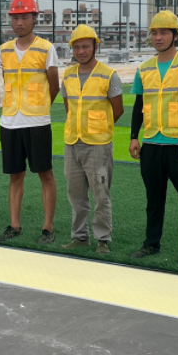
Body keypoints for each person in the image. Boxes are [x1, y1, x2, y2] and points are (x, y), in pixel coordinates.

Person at [128, 10, 178, 265]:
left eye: (163, 32)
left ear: (175, 35)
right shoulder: (144, 68)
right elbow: (139, 105)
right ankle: (151, 243)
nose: (158, 37)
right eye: (154, 33)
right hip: (151, 143)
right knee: (154, 199)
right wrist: (134, 137)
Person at [0, 0, 60, 244]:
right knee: (15, 176)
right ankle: (14, 225)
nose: (20, 22)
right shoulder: (4, 50)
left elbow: (54, 86)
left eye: (24, 17)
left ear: (35, 18)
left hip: (37, 123)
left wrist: (40, 108)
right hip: (9, 122)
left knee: (45, 174)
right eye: (15, 18)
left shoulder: (46, 48)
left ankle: (48, 227)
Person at [61, 24, 124, 254]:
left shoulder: (109, 75)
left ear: (95, 47)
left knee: (100, 194)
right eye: (77, 47)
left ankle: (102, 239)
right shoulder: (68, 75)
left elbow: (118, 110)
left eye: (86, 46)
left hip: (98, 146)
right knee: (75, 194)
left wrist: (99, 128)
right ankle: (80, 237)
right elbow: (69, 108)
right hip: (72, 143)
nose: (81, 51)